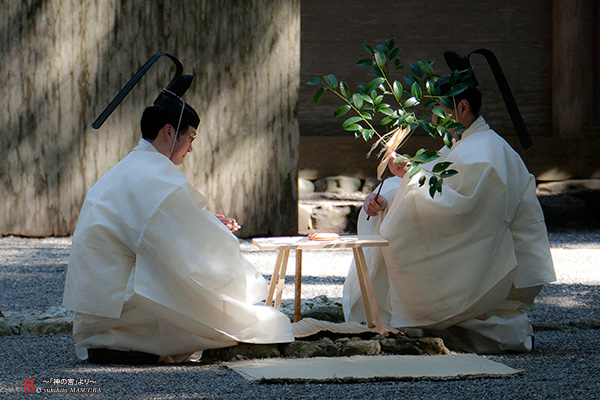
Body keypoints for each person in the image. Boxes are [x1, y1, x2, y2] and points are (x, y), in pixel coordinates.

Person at [62, 53, 293, 364]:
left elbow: (166, 227)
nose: (191, 148)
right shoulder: (154, 175)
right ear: (169, 132)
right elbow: (186, 243)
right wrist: (214, 231)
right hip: (124, 312)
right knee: (265, 323)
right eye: (191, 137)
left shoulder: (129, 167)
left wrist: (205, 223)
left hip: (102, 309)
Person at [343, 50, 556, 353]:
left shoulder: (486, 151)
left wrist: (413, 176)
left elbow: (462, 209)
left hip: (488, 254)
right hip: (475, 246)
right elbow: (435, 187)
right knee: (388, 225)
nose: (432, 120)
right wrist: (385, 199)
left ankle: (427, 317)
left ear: (463, 107)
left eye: (438, 110)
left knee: (398, 240)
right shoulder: (465, 146)